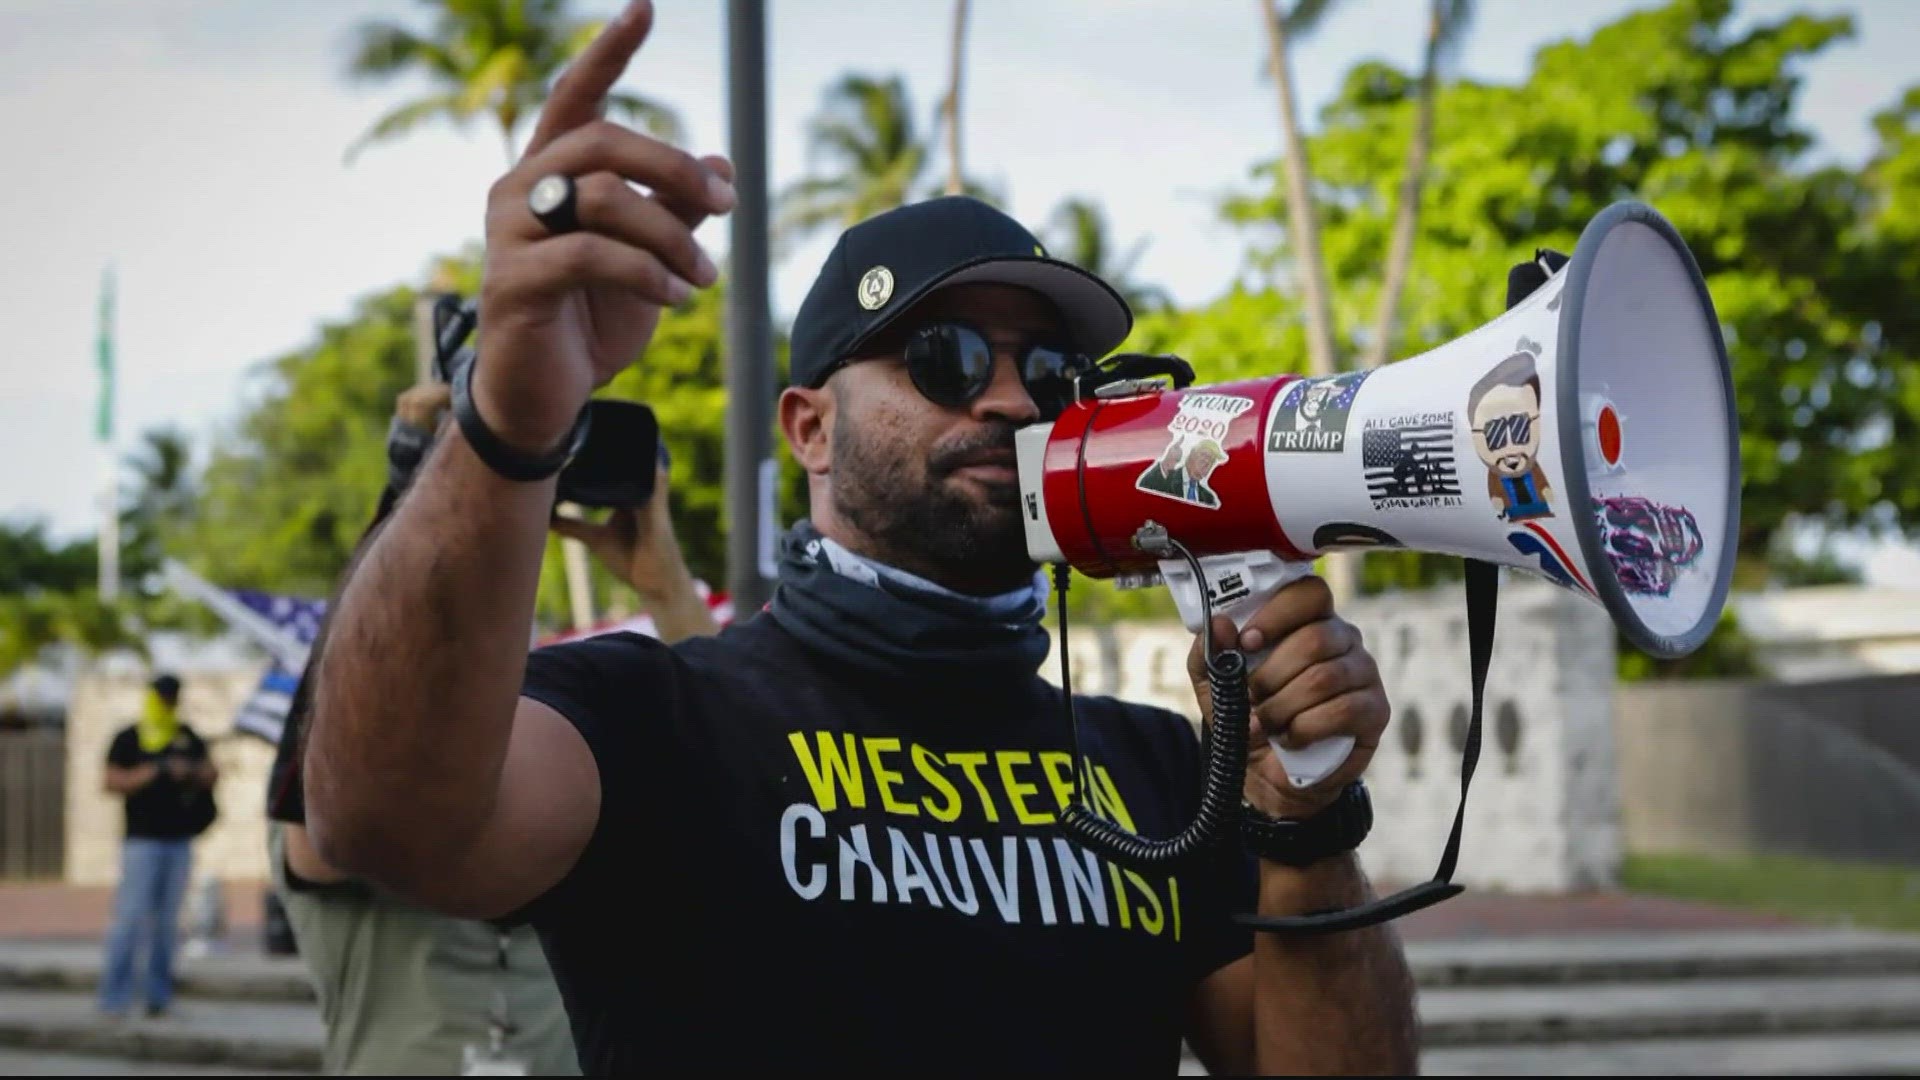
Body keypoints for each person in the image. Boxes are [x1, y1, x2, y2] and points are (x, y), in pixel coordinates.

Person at [301, 4, 1412, 1074]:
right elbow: (381, 822)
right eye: (949, 360)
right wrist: (512, 418)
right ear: (811, 427)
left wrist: (1304, 825)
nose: (1018, 406)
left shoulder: (1172, 770)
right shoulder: (660, 724)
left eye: (1055, 374)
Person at [266, 377, 716, 1075]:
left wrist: (665, 587)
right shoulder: (353, 838)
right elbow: (329, 749)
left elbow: (732, 770)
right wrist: (406, 502)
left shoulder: (563, 846)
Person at [99, 672, 219, 1019]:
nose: (168, 703)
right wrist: (153, 772)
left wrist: (188, 772)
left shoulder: (187, 737)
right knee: (131, 918)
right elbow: (110, 780)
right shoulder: (130, 737)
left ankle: (158, 996)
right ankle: (114, 996)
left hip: (178, 841)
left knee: (167, 923)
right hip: (141, 842)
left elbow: (212, 772)